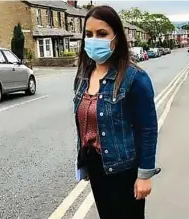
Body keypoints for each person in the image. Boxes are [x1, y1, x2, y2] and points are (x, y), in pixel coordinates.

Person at [73, 5, 160, 219]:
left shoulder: (134, 78)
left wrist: (145, 175)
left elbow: (147, 129)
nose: (94, 40)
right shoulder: (83, 77)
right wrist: (82, 163)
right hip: (96, 167)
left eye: (102, 34)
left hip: (124, 170)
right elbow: (84, 122)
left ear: (117, 38)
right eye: (89, 34)